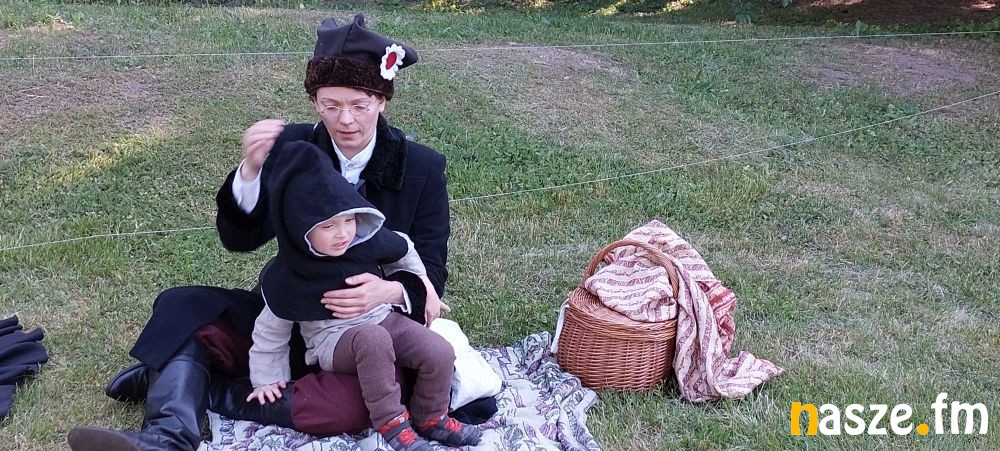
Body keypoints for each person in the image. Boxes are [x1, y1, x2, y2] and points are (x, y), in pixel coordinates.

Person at [67, 14, 495, 451]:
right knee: (185, 307)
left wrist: (387, 292)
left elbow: (431, 271)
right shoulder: (294, 149)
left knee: (351, 407)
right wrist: (251, 171)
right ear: (315, 102)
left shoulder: (421, 166)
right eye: (331, 106)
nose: (346, 120)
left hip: (371, 336)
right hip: (290, 312)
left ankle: (199, 381)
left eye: (360, 105)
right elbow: (239, 240)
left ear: (382, 100)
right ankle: (166, 437)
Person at [247, 142, 480, 450]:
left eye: (348, 220)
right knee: (373, 339)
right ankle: (392, 423)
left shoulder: (362, 240)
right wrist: (266, 378)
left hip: (382, 318)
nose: (343, 233)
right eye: (328, 226)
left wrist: (423, 284)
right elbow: (270, 330)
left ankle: (431, 416)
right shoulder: (292, 274)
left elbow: (403, 246)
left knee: (438, 350)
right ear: (301, 228)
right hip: (333, 341)